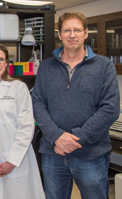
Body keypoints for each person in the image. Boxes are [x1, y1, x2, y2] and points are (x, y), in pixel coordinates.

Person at [32, 12, 120, 199]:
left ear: (86, 33)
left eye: (77, 30)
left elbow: (110, 107)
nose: (72, 35)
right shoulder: (46, 67)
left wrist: (75, 139)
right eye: (67, 30)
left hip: (91, 155)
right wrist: (57, 137)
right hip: (53, 153)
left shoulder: (104, 66)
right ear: (60, 34)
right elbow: (38, 103)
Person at [0, 43, 45, 199]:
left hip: (16, 160)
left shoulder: (18, 88)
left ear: (6, 64)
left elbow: (26, 127)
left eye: (1, 60)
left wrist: (12, 161)